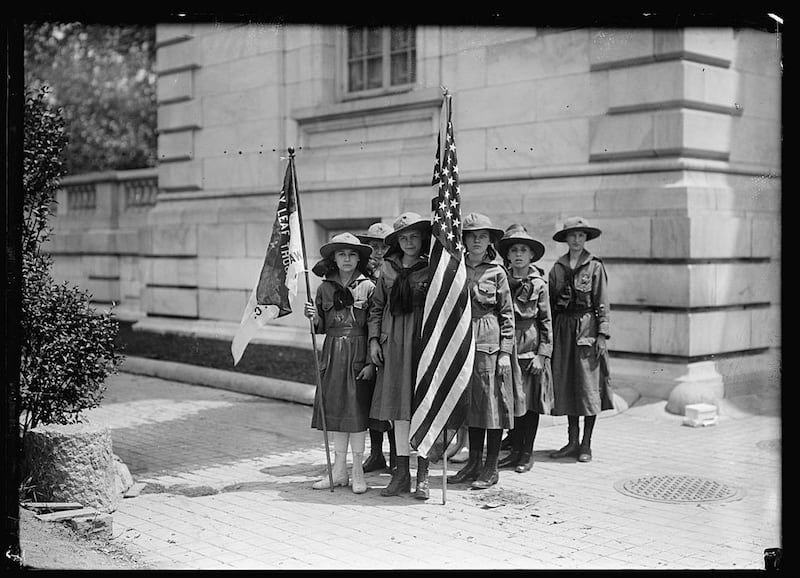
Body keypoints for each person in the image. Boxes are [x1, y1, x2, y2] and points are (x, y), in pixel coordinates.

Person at [303, 232, 376, 493]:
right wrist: (312, 318)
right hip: (333, 354)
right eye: (341, 254)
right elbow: (320, 327)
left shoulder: (368, 286)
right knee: (335, 413)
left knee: (355, 414)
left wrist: (370, 362)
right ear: (334, 258)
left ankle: (358, 470)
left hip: (358, 353)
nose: (347, 259)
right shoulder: (324, 288)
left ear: (359, 258)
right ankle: (338, 470)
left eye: (352, 254)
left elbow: (373, 328)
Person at [448, 213, 515, 490]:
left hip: (489, 343)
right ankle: (472, 463)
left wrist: (504, 353)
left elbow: (507, 315)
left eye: (483, 236)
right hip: (462, 343)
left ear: (490, 240)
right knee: (471, 407)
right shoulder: (455, 268)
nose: (477, 240)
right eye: (471, 235)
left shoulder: (497, 272)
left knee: (491, 407)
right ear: (463, 239)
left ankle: (490, 467)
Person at [368, 212, 431, 499]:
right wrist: (374, 341)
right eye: (403, 237)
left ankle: (423, 475)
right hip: (393, 345)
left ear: (422, 239)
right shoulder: (388, 269)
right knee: (398, 411)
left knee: (423, 406)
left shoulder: (431, 269)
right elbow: (377, 307)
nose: (409, 242)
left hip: (421, 344)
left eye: (414, 236)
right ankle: (401, 473)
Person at [548, 216, 614, 463]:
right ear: (565, 239)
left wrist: (601, 334)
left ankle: (586, 444)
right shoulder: (557, 268)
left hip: (587, 329)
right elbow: (551, 305)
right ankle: (571, 441)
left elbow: (602, 302)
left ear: (586, 238)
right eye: (572, 235)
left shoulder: (594, 266)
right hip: (563, 330)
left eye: (581, 235)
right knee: (567, 385)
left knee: (588, 388)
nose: (577, 240)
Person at [496, 224, 553, 473]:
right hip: (507, 347)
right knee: (511, 402)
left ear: (531, 255)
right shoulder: (501, 279)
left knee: (529, 405)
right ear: (507, 255)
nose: (518, 254)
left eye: (524, 250)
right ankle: (514, 450)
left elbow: (546, 322)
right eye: (514, 250)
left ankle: (526, 454)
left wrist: (543, 354)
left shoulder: (539, 284)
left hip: (529, 349)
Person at [355, 222, 397, 474]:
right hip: (363, 342)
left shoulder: (393, 274)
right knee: (370, 402)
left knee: (389, 402)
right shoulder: (360, 277)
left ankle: (395, 456)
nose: (378, 251)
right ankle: (376, 453)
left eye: (383, 246)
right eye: (372, 246)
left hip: (386, 342)